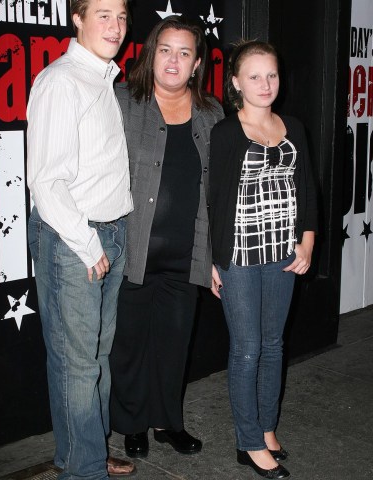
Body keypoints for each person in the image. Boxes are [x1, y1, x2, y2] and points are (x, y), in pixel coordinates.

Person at [26, 0, 136, 477]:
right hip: (75, 240)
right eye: (104, 15)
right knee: (76, 364)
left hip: (110, 231)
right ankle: (82, 468)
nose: (115, 26)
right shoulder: (60, 82)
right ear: (78, 18)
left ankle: (89, 450)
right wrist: (89, 246)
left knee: (96, 358)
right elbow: (47, 183)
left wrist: (116, 234)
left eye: (122, 16)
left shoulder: (103, 78)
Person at [109, 15, 224, 458]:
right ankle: (132, 424)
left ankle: (167, 422)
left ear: (197, 63)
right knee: (130, 345)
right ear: (151, 53)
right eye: (165, 50)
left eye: (184, 52)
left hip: (187, 252)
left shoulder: (212, 113)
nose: (173, 61)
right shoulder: (123, 101)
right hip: (133, 249)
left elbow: (219, 188)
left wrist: (216, 255)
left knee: (174, 344)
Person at [209, 40, 318, 479]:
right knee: (248, 348)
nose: (265, 84)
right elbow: (213, 201)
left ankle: (267, 427)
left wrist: (307, 242)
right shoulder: (225, 132)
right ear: (236, 82)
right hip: (238, 257)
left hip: (282, 255)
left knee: (274, 345)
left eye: (271, 75)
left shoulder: (293, 125)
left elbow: (308, 190)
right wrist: (211, 262)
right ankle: (249, 441)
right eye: (254, 76)